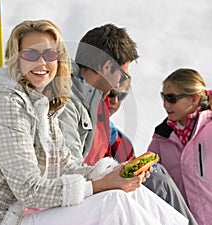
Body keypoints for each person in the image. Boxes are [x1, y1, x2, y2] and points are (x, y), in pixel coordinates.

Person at [0, 19, 188, 225]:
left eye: (49, 54)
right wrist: (101, 184)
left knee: (134, 192)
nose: (42, 62)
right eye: (30, 54)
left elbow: (65, 166)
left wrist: (114, 173)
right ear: (16, 59)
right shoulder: (5, 105)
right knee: (113, 203)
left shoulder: (43, 104)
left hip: (16, 214)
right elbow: (29, 190)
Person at [59, 23, 196, 224]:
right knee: (153, 182)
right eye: (122, 75)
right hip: (70, 194)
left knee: (155, 176)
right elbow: (68, 169)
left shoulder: (93, 101)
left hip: (89, 186)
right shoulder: (66, 102)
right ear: (106, 67)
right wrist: (113, 175)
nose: (118, 85)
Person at [106, 88, 198, 225]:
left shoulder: (115, 135)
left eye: (121, 96)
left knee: (158, 172)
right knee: (158, 180)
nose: (115, 101)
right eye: (112, 94)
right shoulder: (161, 138)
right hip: (103, 182)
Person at [147, 68, 212, 225]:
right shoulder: (161, 138)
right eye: (163, 97)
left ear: (194, 99)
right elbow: (150, 180)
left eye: (171, 98)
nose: (165, 104)